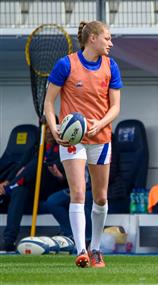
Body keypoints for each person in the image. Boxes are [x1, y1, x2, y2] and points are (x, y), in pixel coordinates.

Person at [44, 20, 122, 268]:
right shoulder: (66, 64)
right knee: (77, 193)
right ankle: (81, 251)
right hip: (72, 139)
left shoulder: (112, 66)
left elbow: (116, 106)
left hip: (100, 138)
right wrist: (54, 128)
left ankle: (96, 248)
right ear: (93, 39)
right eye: (107, 38)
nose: (110, 43)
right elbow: (49, 102)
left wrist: (100, 124)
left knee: (99, 197)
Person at [0, 119, 68, 252]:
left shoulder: (63, 150)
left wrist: (59, 175)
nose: (49, 132)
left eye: (51, 128)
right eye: (46, 129)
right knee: (20, 190)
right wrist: (6, 181)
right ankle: (8, 240)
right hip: (30, 195)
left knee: (40, 163)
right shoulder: (36, 148)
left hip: (50, 194)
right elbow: (18, 167)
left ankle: (10, 189)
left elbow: (68, 181)